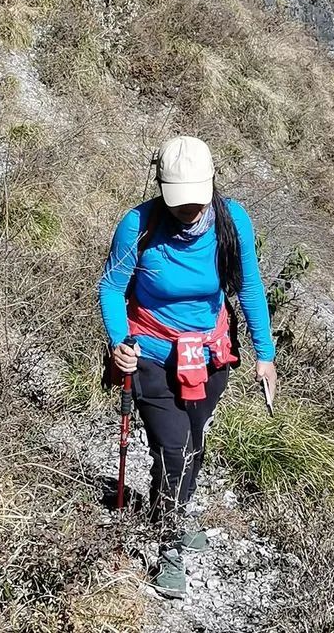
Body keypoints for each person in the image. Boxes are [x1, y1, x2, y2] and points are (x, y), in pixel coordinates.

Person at [98, 135, 277, 599]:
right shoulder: (137, 226)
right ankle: (169, 544)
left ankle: (167, 511)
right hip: (153, 355)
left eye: (196, 201)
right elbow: (112, 290)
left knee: (194, 442)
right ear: (161, 187)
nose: (188, 211)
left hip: (211, 355)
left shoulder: (232, 221)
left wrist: (265, 355)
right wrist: (120, 344)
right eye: (178, 202)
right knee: (172, 446)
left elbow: (250, 288)